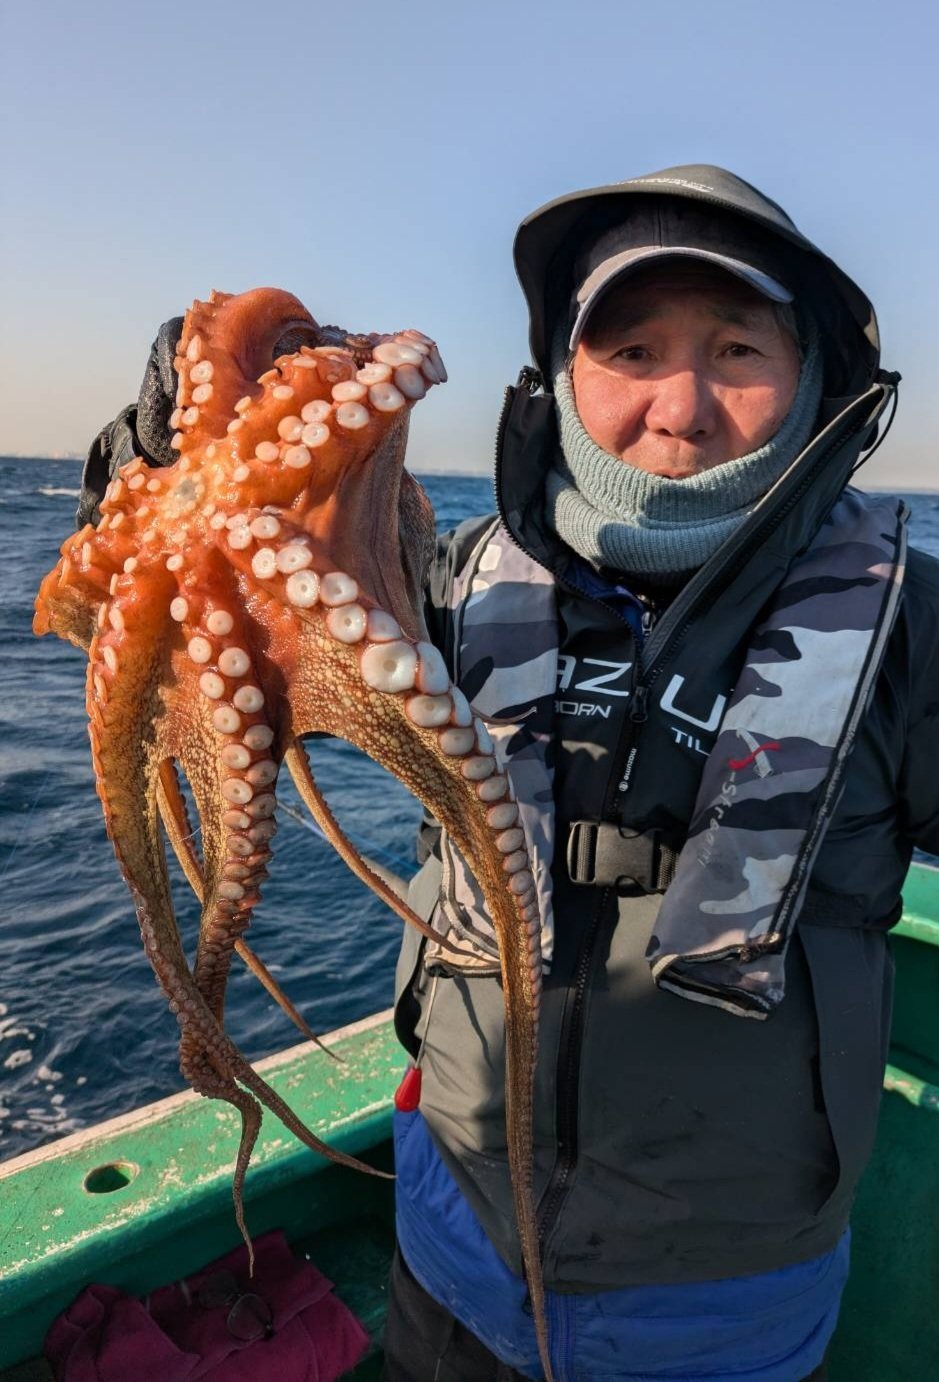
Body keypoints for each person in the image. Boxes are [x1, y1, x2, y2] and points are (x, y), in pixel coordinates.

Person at [78, 164, 939, 1382]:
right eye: (631, 348)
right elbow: (176, 630)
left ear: (817, 380)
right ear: (563, 375)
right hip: (452, 1236)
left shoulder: (909, 626)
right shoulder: (436, 582)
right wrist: (147, 456)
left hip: (726, 1297)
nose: (681, 406)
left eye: (739, 349)